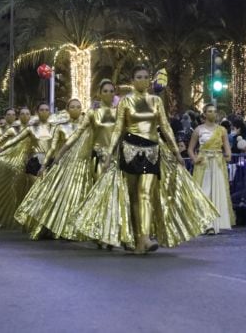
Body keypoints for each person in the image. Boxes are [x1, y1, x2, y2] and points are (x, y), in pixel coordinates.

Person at [74, 65, 218, 254]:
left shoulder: (156, 101)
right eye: (139, 77)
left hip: (151, 150)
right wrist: (109, 154)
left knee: (145, 193)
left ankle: (145, 237)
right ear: (132, 81)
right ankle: (137, 239)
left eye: (145, 77)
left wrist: (176, 153)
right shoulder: (126, 102)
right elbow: (118, 128)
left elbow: (165, 127)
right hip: (130, 150)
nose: (143, 80)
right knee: (133, 196)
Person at [15, 80, 117, 241]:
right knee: (61, 197)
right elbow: (55, 146)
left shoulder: (104, 115)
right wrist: (51, 161)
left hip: (87, 161)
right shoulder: (60, 127)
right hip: (64, 165)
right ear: (67, 109)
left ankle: (98, 230)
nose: (76, 109)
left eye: (78, 106)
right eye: (72, 106)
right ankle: (61, 226)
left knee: (88, 195)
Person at [188, 104, 234, 234]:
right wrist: (195, 158)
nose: (212, 114)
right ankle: (205, 223)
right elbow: (190, 149)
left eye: (214, 111)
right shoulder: (198, 130)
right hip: (203, 164)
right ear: (204, 114)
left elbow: (227, 147)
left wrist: (228, 155)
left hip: (218, 163)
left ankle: (218, 222)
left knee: (218, 191)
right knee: (204, 192)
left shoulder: (222, 130)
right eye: (209, 111)